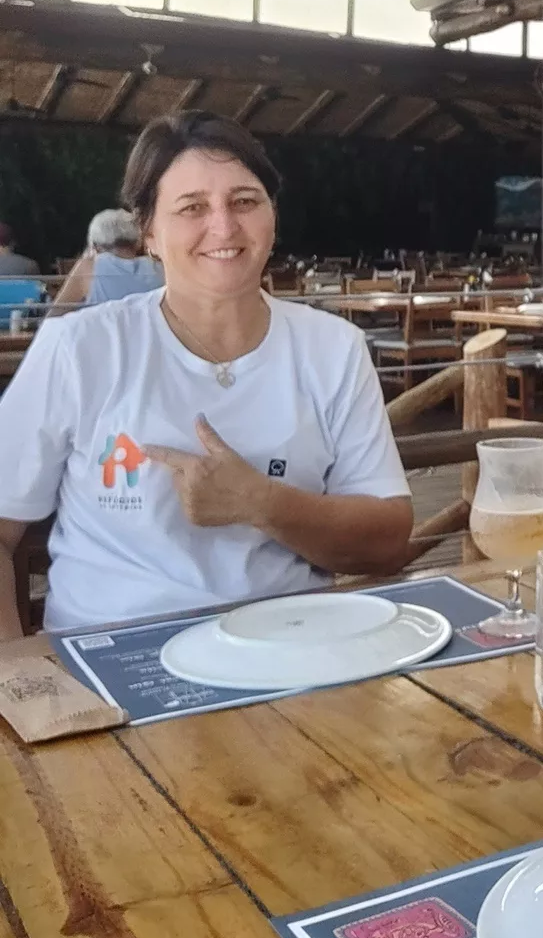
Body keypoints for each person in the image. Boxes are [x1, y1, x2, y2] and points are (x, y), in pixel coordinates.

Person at [0, 111, 413, 637]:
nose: (223, 226)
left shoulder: (333, 348)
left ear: (272, 216)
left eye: (244, 201)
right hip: (114, 656)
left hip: (292, 647)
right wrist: (15, 675)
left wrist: (261, 502)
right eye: (192, 207)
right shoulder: (81, 348)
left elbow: (387, 541)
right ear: (148, 231)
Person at [50, 208, 163, 312]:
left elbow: (54, 315)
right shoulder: (159, 268)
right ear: (137, 243)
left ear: (95, 246)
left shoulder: (89, 268)